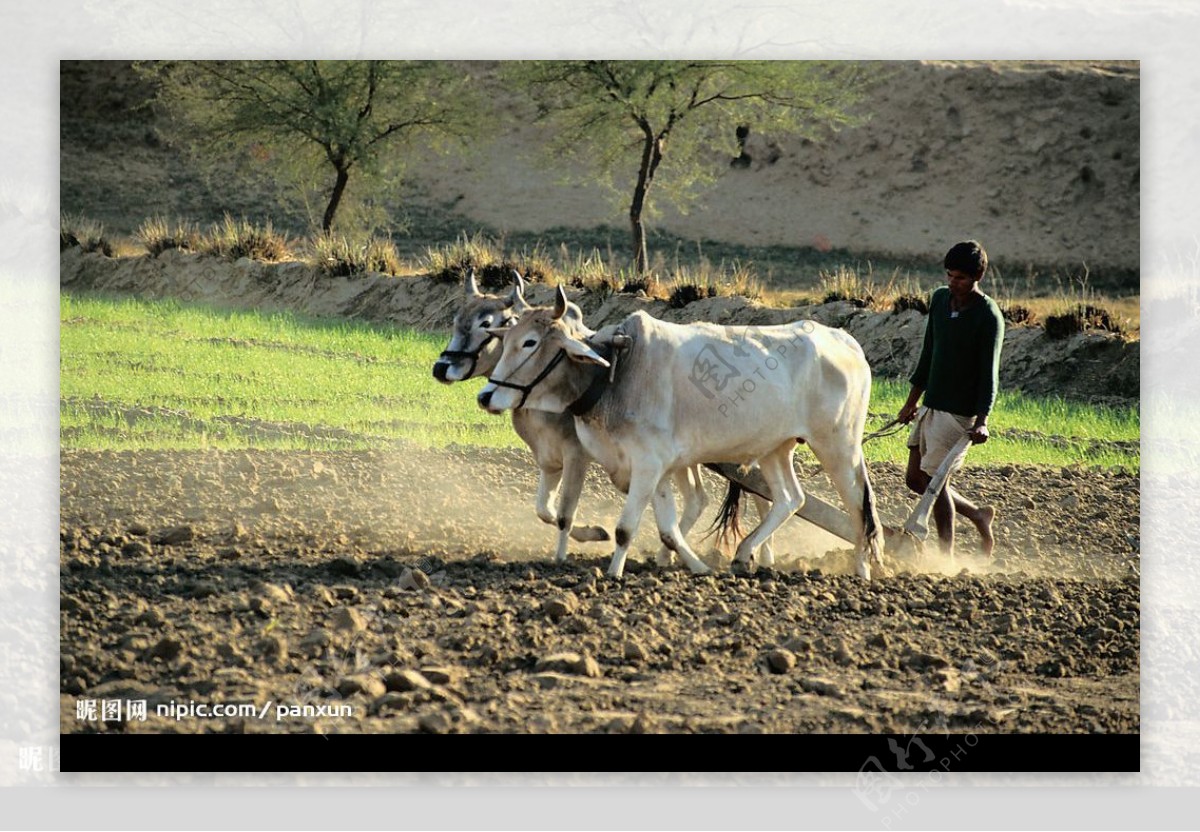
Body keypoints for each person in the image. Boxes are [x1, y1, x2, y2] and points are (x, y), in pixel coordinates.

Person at [898, 240, 1004, 558]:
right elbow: (929, 354)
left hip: (960, 414)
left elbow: (989, 374)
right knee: (915, 479)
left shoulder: (988, 317)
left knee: (935, 481)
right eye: (949, 275)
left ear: (977, 277)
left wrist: (983, 422)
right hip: (932, 403)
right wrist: (911, 401)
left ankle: (946, 556)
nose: (952, 282)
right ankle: (977, 514)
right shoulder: (940, 300)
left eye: (960, 277)